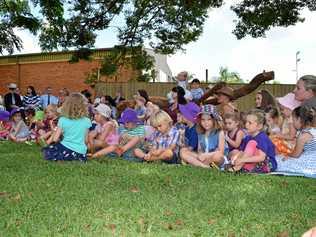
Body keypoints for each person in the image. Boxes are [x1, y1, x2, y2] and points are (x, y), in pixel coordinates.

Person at [42, 93, 92, 162]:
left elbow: (55, 139)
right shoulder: (87, 120)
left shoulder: (62, 119)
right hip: (80, 153)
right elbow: (86, 141)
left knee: (49, 151)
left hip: (64, 149)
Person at [228, 109, 276, 173]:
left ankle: (238, 167)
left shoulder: (262, 137)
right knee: (237, 153)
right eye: (246, 122)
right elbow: (242, 152)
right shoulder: (248, 137)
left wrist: (242, 160)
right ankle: (242, 167)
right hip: (254, 162)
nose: (246, 125)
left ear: (259, 126)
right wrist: (236, 158)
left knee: (252, 143)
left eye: (250, 123)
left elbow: (261, 158)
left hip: (267, 164)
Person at [276, 106, 316, 177]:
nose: (293, 123)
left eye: (293, 120)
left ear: (299, 119)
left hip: (311, 164)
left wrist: (288, 155)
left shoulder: (303, 136)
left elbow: (296, 154)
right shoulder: (313, 130)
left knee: (280, 161)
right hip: (312, 159)